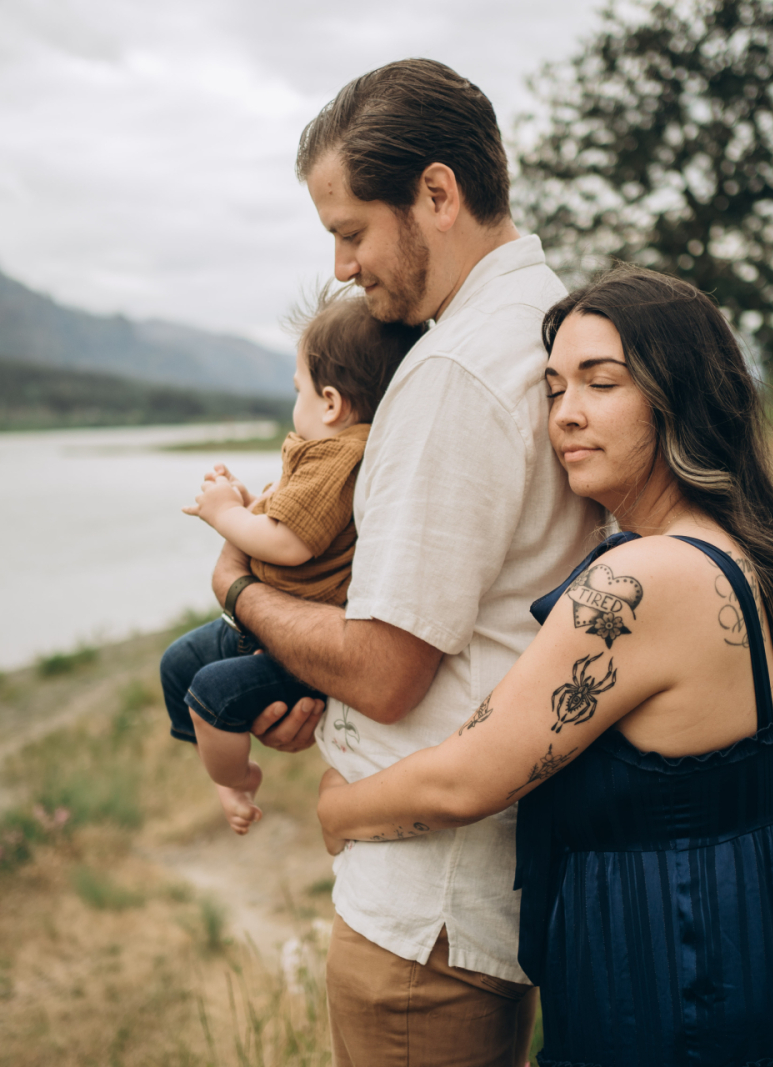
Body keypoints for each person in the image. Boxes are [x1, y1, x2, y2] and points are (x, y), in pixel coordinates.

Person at [316, 266, 773, 1067]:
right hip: (726, 973)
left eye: (601, 383)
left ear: (681, 397)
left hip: (672, 990)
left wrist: (339, 809)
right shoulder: (722, 552)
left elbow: (468, 779)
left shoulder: (641, 579)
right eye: (552, 388)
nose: (565, 414)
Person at [208, 59, 601, 1066]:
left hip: (421, 919)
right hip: (481, 878)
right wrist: (317, 692)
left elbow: (388, 667)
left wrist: (243, 592)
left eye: (351, 230)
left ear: (437, 193)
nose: (341, 267)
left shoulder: (453, 371)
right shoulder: (549, 322)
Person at [161, 290, 420, 833]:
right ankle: (223, 764)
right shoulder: (328, 454)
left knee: (209, 694)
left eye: (297, 389)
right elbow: (293, 521)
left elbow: (288, 544)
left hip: (293, 642)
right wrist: (250, 501)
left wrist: (224, 515)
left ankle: (235, 780)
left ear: (330, 402)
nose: (294, 404)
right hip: (265, 621)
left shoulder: (342, 453)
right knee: (177, 663)